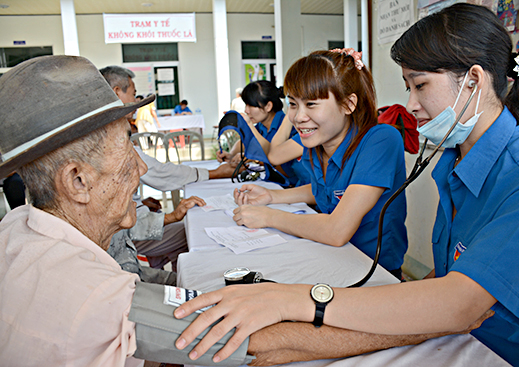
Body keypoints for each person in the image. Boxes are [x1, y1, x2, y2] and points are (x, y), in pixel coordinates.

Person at [0, 55, 491, 367]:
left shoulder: (22, 231)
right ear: (78, 181)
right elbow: (261, 343)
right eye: (129, 149)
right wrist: (434, 319)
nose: (141, 168)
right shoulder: (77, 288)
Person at [172, 4, 519, 367]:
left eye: (420, 86)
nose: (411, 105)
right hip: (451, 336)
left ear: (474, 81)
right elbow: (447, 284)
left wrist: (300, 302)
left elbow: (462, 305)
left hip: (501, 354)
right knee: (268, 344)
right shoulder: (453, 162)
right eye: (407, 87)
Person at [232, 49, 408, 278]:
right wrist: (272, 197)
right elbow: (327, 190)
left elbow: (336, 230)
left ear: (348, 104)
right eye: (293, 104)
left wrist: (268, 216)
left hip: (373, 273)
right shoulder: (317, 141)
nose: (298, 117)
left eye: (311, 104)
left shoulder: (381, 139)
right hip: (330, 259)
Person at [100, 65, 237, 271]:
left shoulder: (111, 132)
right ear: (118, 92)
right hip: (119, 240)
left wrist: (137, 203)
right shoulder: (107, 138)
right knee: (195, 233)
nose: (136, 101)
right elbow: (157, 172)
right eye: (134, 94)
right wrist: (171, 215)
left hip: (125, 231)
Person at [217, 80, 308, 187]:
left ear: (268, 106)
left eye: (251, 105)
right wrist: (230, 155)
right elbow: (243, 143)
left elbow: (282, 166)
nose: (246, 110)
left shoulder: (290, 128)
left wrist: (255, 158)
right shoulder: (261, 126)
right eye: (246, 105)